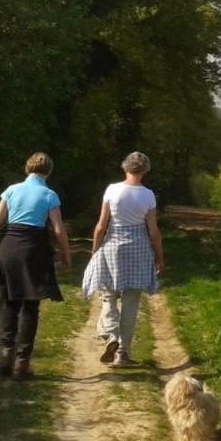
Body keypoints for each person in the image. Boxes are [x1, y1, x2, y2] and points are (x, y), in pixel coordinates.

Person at [0, 152, 72, 380]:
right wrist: (66, 254)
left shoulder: (12, 190)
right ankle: (22, 363)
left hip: (9, 247)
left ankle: (5, 354)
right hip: (34, 249)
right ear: (48, 171)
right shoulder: (49, 194)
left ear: (27, 169)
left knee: (9, 302)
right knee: (30, 308)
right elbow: (58, 229)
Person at [82, 151, 164, 367]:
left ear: (125, 167)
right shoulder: (148, 195)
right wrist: (159, 257)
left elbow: (101, 225)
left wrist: (94, 251)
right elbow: (153, 232)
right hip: (138, 247)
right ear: (146, 170)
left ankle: (111, 336)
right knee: (131, 301)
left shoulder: (112, 190)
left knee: (108, 295)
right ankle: (122, 353)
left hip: (111, 246)